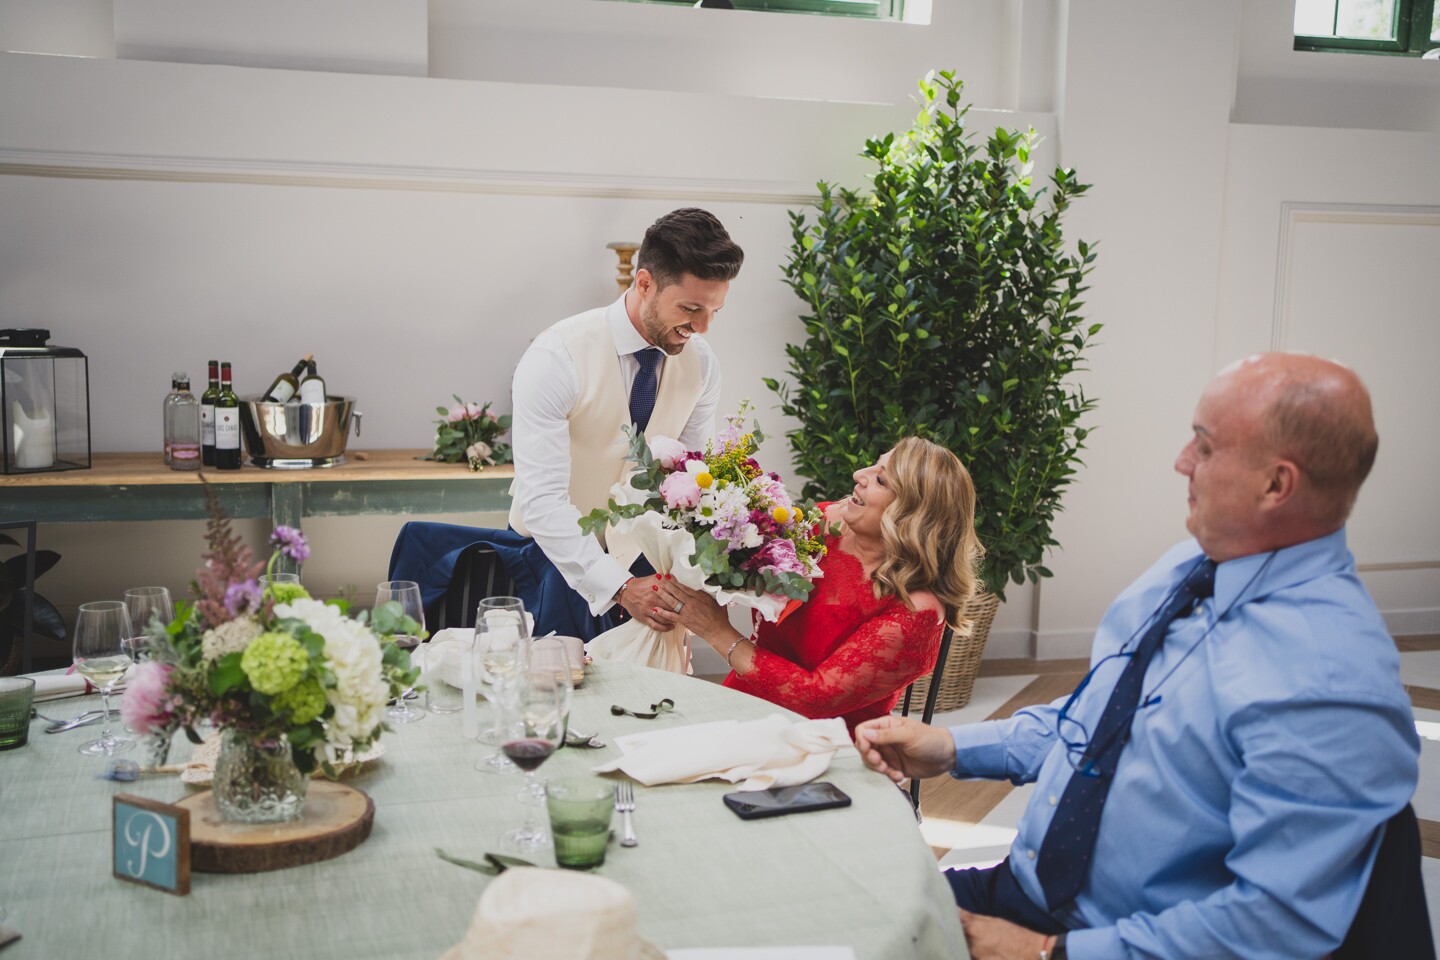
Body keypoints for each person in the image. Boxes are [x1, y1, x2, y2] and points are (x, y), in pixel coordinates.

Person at [854, 354, 1422, 960]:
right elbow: (1097, 725)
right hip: (1025, 890)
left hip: (1114, 938)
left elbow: (1273, 925)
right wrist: (954, 749)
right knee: (845, 917)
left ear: (1276, 484)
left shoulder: (1329, 678)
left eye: (1204, 446)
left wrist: (1048, 952)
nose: (1182, 461)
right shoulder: (1183, 571)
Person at [498, 207, 743, 639]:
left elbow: (687, 481)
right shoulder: (556, 357)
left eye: (714, 310)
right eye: (690, 308)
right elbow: (543, 502)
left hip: (647, 566)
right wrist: (619, 587)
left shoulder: (702, 364)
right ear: (644, 283)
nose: (703, 327)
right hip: (552, 559)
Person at [653, 436, 983, 734]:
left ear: (912, 515)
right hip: (748, 702)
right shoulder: (823, 524)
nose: (859, 476)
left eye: (880, 479)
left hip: (826, 746)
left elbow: (815, 697)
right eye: (874, 465)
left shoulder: (917, 612)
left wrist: (716, 631)